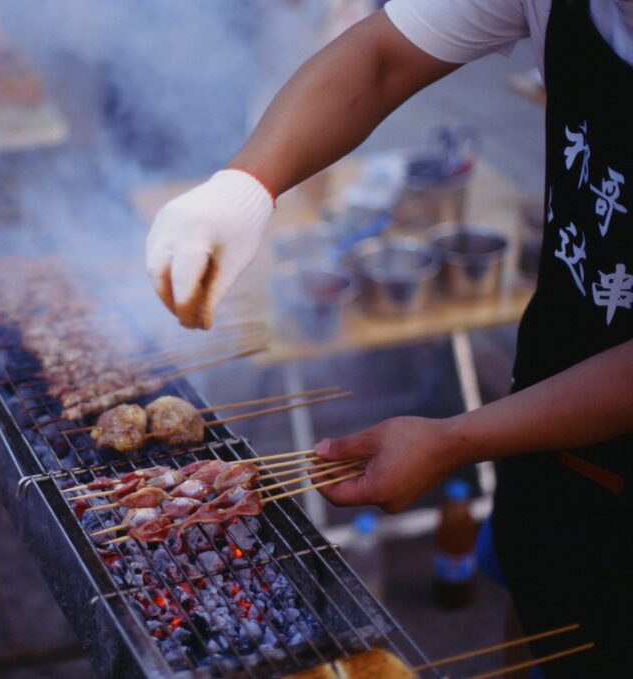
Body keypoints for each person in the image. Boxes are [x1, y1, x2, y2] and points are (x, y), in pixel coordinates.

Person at [145, 2, 632, 675]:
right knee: (542, 620)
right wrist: (245, 186)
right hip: (549, 406)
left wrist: (454, 438)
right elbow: (381, 57)